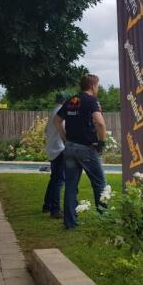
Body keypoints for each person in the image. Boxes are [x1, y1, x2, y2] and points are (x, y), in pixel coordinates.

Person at [54, 74, 107, 229]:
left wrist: (65, 139)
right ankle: (105, 219)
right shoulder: (91, 101)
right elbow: (100, 123)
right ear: (92, 86)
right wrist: (101, 143)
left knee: (70, 185)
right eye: (97, 85)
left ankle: (70, 222)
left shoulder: (72, 100)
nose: (97, 88)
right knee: (100, 184)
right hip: (86, 148)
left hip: (70, 147)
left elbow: (56, 120)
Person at [42, 93, 66, 219]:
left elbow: (46, 130)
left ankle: (47, 205)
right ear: (65, 101)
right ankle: (55, 210)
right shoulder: (61, 112)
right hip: (59, 149)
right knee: (59, 180)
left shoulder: (53, 111)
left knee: (54, 179)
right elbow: (64, 130)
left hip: (52, 149)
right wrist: (67, 143)